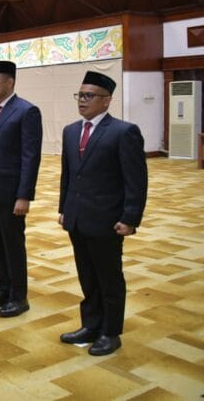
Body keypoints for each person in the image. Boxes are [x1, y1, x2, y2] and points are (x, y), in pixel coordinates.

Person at [59, 71, 147, 356]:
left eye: (89, 96)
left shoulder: (123, 132)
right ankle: (90, 325)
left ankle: (110, 332)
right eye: (80, 95)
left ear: (107, 100)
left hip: (107, 220)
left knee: (109, 278)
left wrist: (130, 218)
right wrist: (64, 209)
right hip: (77, 218)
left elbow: (135, 180)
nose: (82, 101)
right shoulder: (71, 131)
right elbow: (68, 175)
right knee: (87, 275)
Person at [0, 60, 42, 318]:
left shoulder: (26, 111)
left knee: (12, 244)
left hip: (11, 193)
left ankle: (18, 295)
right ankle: (2, 287)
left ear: (10, 82)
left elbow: (30, 157)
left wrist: (24, 195)